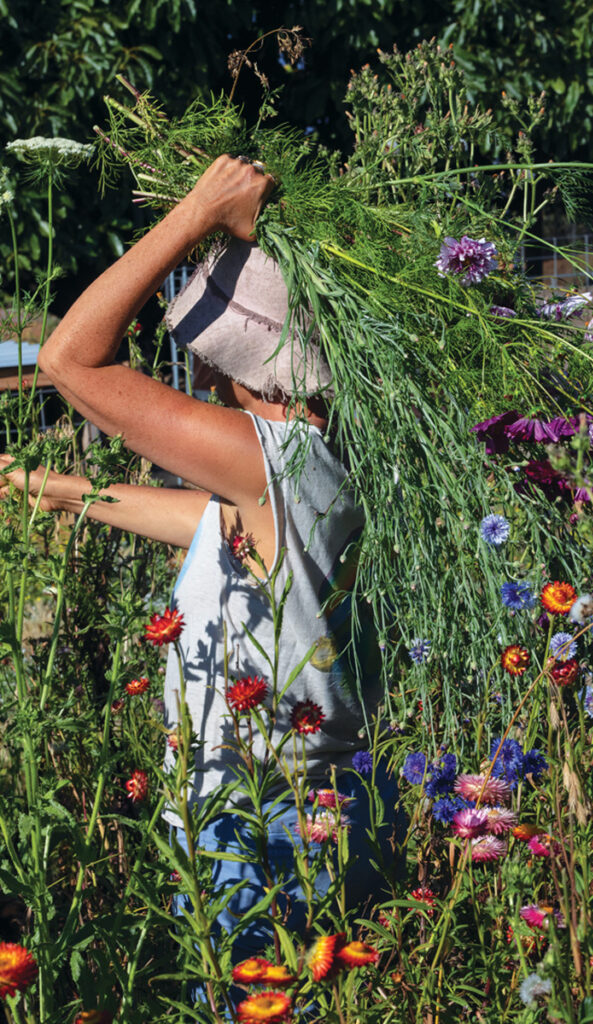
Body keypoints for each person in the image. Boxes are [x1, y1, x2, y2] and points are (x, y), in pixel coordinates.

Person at [0, 156, 397, 983]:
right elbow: (202, 523)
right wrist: (59, 490)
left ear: (238, 364)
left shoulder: (273, 458)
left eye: (210, 360)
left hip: (262, 822)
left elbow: (73, 361)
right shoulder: (328, 464)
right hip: (330, 808)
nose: (203, 378)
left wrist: (196, 214)